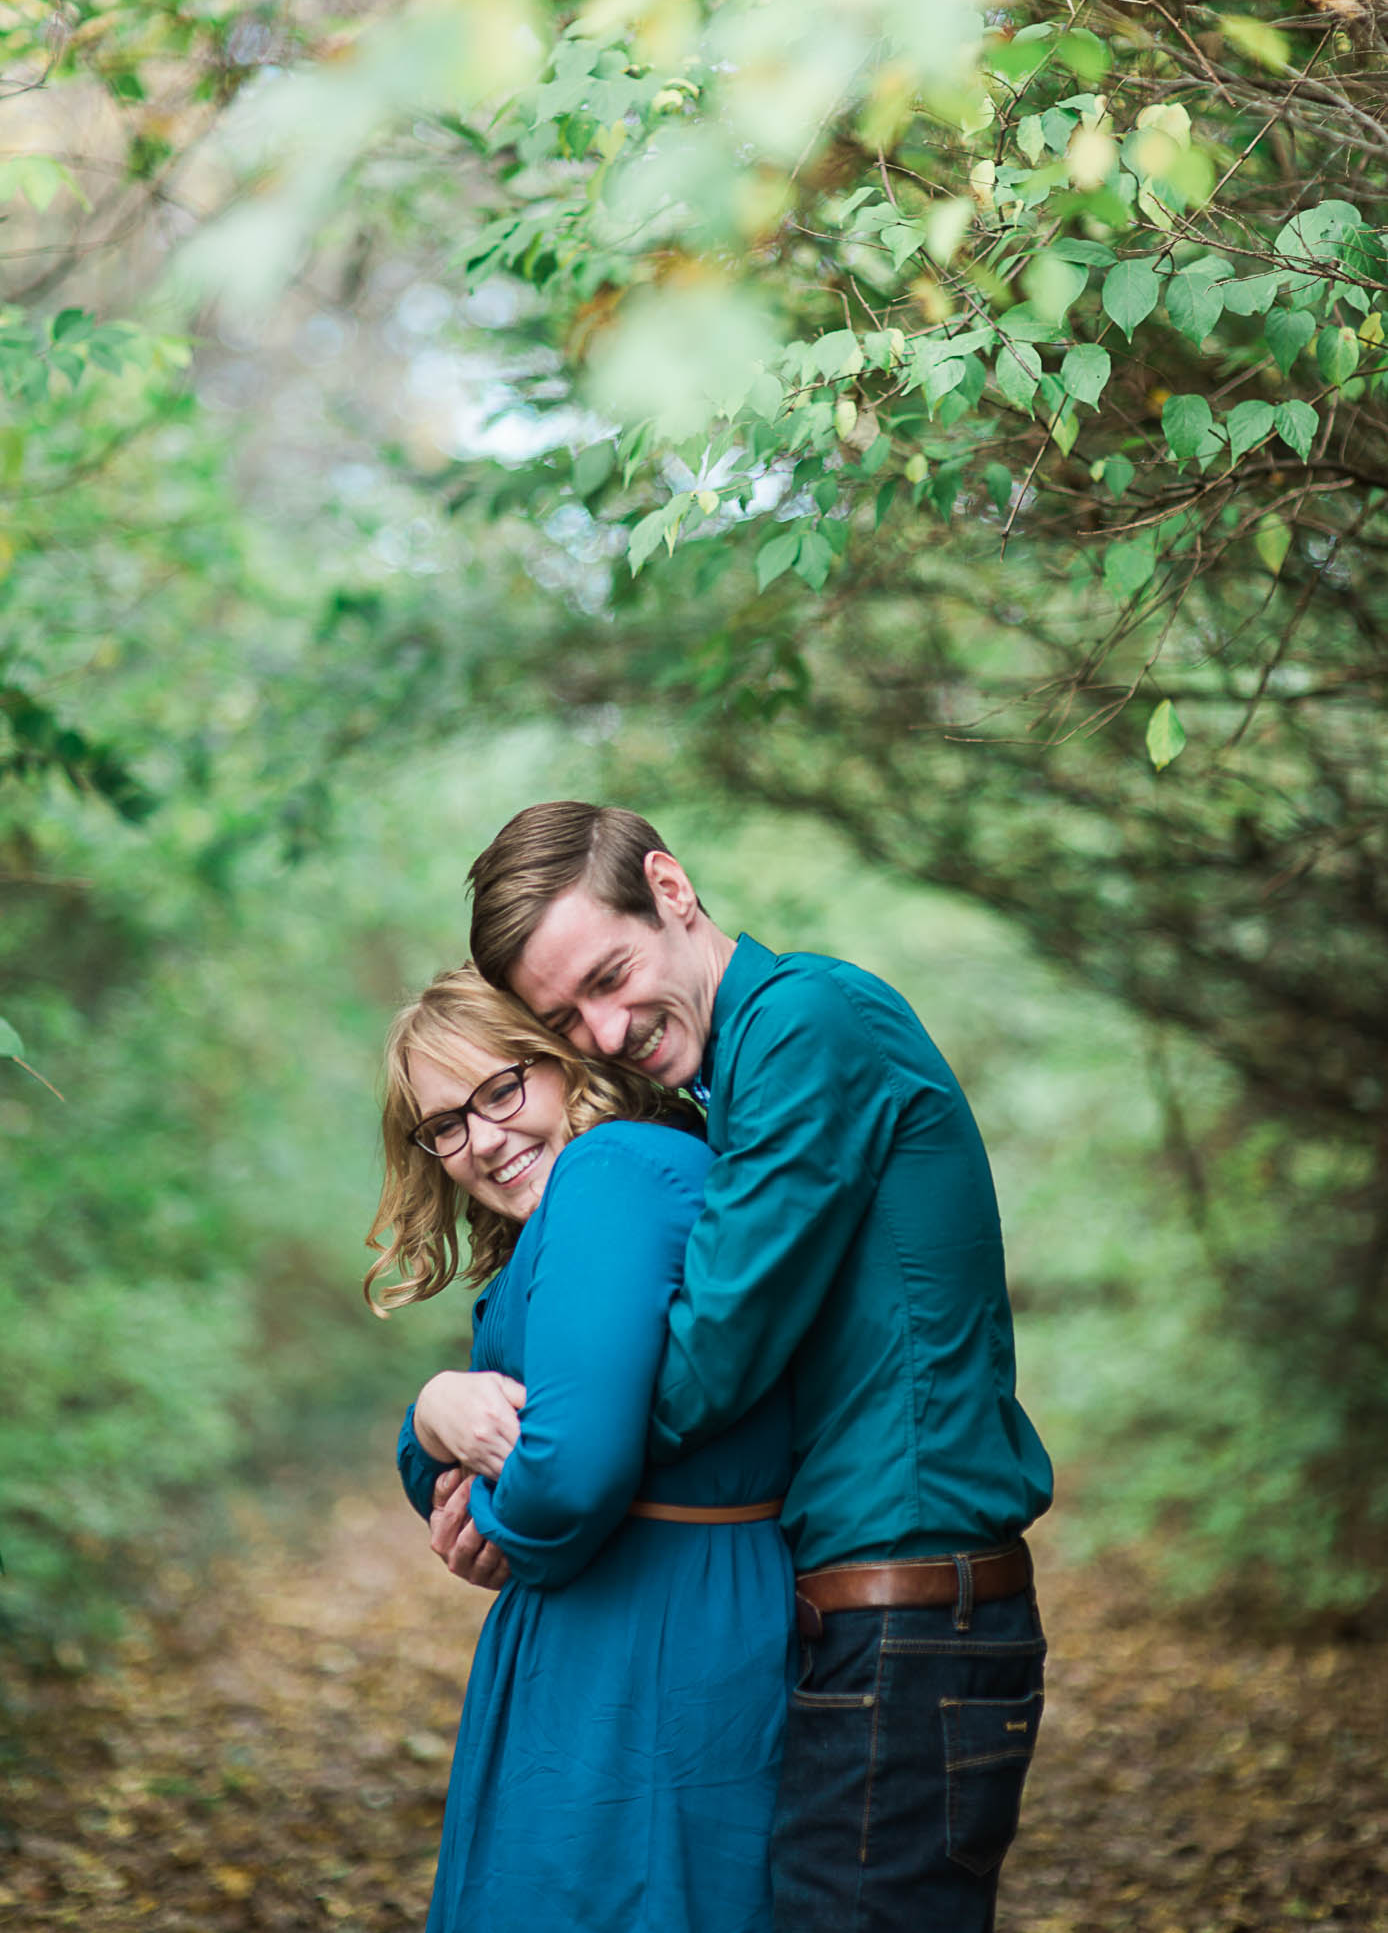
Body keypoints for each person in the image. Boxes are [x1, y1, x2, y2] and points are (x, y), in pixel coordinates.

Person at [436, 801, 1054, 1933]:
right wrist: (443, 1412)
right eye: (565, 1019)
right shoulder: (725, 1093)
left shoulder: (807, 1028)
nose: (607, 1033)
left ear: (672, 890)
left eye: (612, 977)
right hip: (863, 1616)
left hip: (911, 1618)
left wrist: (527, 1463)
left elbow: (709, 1360)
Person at [371, 965, 794, 1933]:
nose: (481, 1140)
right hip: (629, 1629)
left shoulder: (612, 1172)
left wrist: (486, 1510)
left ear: (563, 1061)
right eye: (445, 1126)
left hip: (650, 1640)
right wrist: (432, 1414)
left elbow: (563, 1480)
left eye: (500, 1090)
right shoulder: (581, 1209)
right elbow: (473, 1452)